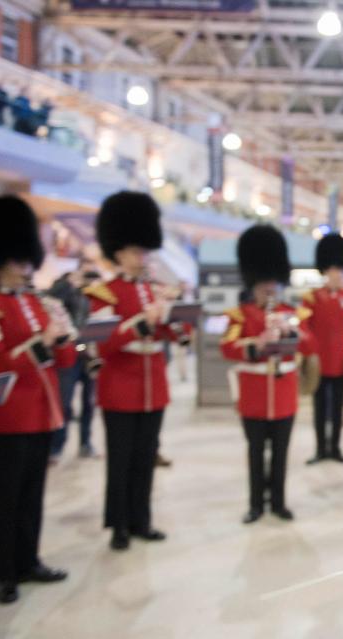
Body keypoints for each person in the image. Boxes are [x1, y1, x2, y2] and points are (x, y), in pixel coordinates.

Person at [0, 195, 73, 604]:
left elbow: (61, 360)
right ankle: (4, 573)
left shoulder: (35, 301)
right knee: (6, 498)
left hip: (42, 412)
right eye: (17, 258)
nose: (26, 264)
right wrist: (42, 342)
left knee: (33, 494)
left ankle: (29, 559)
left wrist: (62, 336)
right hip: (8, 415)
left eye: (27, 257)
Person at [86, 191, 190, 552]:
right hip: (120, 387)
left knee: (146, 458)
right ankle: (118, 524)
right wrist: (141, 323)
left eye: (144, 251)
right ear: (118, 253)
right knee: (121, 461)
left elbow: (174, 334)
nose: (141, 258)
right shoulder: (103, 293)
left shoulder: (154, 290)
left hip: (152, 386)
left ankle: (141, 519)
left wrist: (176, 316)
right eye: (135, 251)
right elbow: (103, 342)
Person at [221, 225, 316, 524]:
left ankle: (278, 501)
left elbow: (312, 344)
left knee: (281, 453)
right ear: (253, 284)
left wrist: (292, 332)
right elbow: (228, 347)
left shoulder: (293, 313)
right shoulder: (241, 315)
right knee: (255, 452)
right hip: (254, 395)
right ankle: (255, 504)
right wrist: (258, 342)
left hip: (285, 393)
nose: (269, 288)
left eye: (273, 282)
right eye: (264, 284)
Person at [302, 233, 343, 464]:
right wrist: (308, 352)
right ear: (325, 271)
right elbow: (305, 327)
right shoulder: (312, 298)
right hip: (319, 360)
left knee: (338, 408)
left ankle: (335, 447)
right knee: (319, 408)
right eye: (333, 270)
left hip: (340, 361)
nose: (337, 274)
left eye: (341, 270)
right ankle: (320, 448)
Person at [47, 263, 101, 462]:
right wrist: (70, 283)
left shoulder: (93, 294)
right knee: (65, 402)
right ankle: (57, 446)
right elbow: (52, 299)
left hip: (88, 352)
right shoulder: (64, 288)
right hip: (68, 353)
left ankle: (86, 443)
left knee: (89, 402)